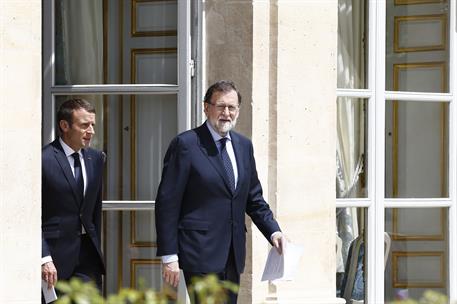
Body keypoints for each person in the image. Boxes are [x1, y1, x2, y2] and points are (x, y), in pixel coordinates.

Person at [155, 80, 286, 303]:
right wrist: (169, 255)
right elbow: (167, 202)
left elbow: (253, 198)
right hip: (199, 253)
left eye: (232, 107)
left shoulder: (244, 146)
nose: (226, 113)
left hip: (233, 255)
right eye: (221, 106)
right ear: (206, 108)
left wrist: (274, 232)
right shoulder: (186, 144)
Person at [41, 98, 105, 299]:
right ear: (64, 125)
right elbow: (32, 216)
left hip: (88, 256)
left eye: (93, 125)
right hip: (55, 258)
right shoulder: (43, 160)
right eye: (85, 125)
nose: (91, 131)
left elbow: (94, 210)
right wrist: (43, 258)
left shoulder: (96, 159)